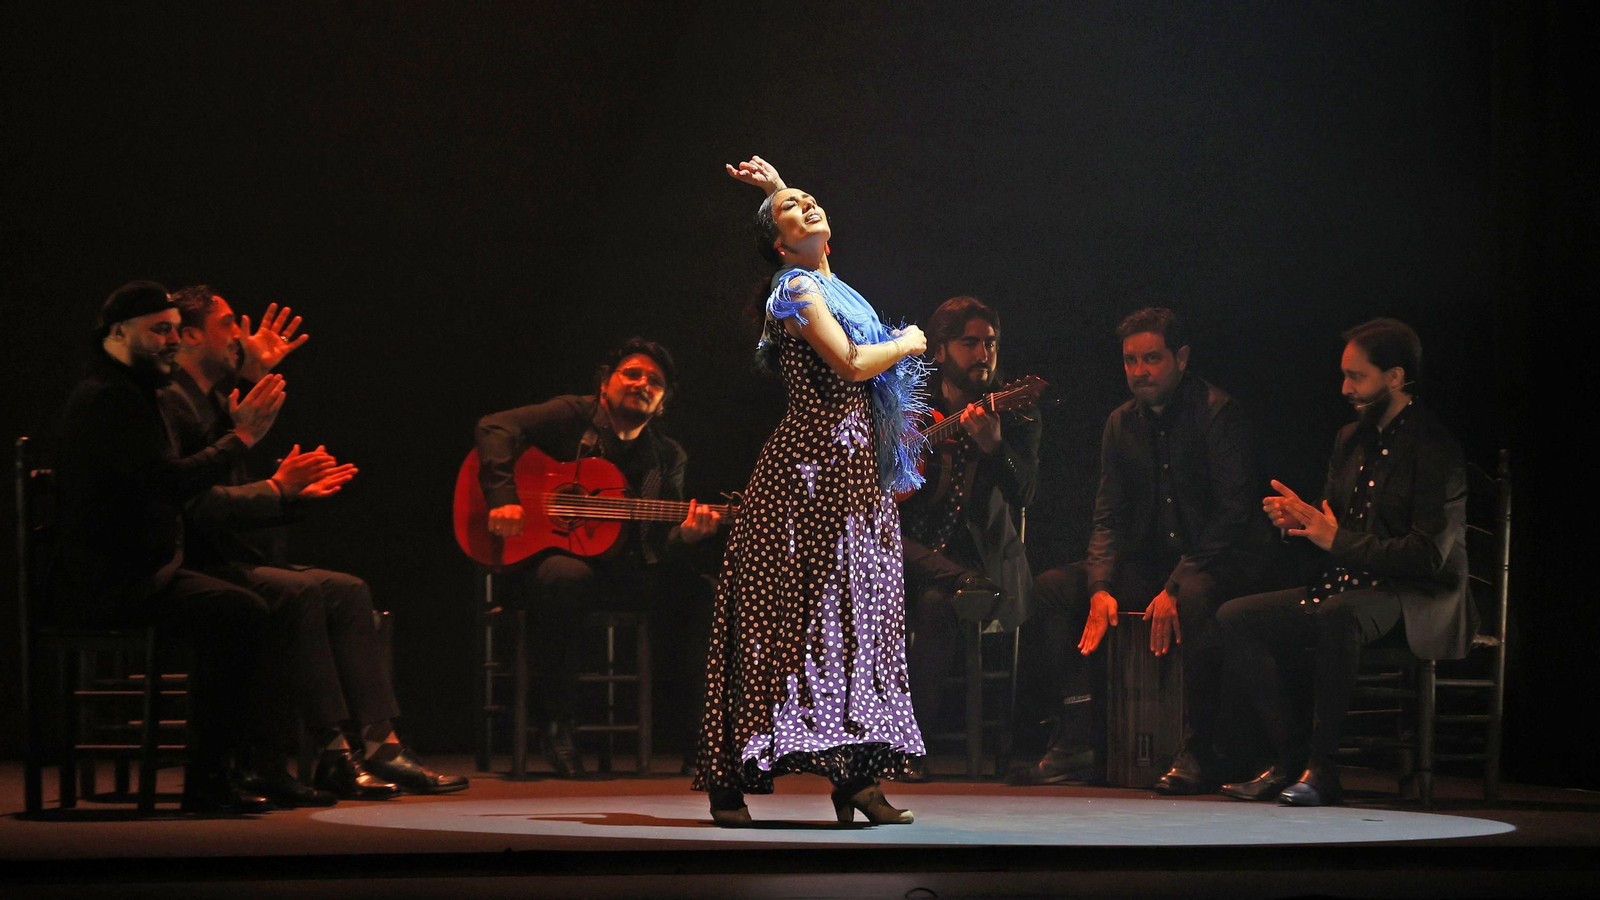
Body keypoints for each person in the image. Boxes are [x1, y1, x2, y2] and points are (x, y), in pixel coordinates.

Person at [162, 286, 467, 804]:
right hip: (189, 561)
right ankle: (331, 752)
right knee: (298, 594)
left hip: (221, 551)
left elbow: (228, 482)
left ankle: (380, 743)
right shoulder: (171, 400)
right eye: (228, 324)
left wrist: (287, 491)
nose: (240, 332)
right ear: (190, 335)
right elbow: (194, 500)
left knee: (347, 589)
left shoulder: (209, 398)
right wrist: (276, 487)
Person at [694, 156, 929, 827]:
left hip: (857, 471)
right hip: (808, 473)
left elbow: (797, 230)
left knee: (862, 616)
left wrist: (777, 189)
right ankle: (731, 774)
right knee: (786, 618)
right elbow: (853, 363)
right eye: (794, 209)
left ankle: (857, 779)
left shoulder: (833, 285)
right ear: (778, 243)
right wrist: (909, 342)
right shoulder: (793, 292)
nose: (808, 206)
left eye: (811, 199)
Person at [1216, 318, 1475, 807]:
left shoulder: (1434, 446)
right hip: (1353, 585)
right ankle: (1290, 761)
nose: (1345, 387)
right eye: (1345, 375)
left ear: (1395, 377)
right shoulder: (1349, 440)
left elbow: (1427, 555)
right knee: (1238, 617)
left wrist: (1333, 537)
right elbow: (1336, 528)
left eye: (1357, 376)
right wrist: (1299, 522)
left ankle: (1323, 768)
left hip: (1416, 596)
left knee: (1341, 614)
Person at [50, 280, 286, 813]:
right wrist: (240, 438)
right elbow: (165, 483)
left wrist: (238, 419)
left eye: (177, 331)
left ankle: (230, 772)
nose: (172, 341)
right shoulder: (108, 398)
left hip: (145, 569)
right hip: (113, 581)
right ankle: (209, 781)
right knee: (239, 612)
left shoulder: (140, 393)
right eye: (159, 330)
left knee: (249, 604)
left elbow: (194, 469)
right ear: (117, 332)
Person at [1022, 308, 1273, 789]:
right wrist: (1099, 586)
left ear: (1181, 358)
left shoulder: (1219, 413)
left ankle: (1199, 751)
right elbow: (1108, 516)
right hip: (1151, 564)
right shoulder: (1121, 423)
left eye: (1151, 359)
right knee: (1054, 589)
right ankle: (1077, 738)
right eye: (1130, 361)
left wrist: (1176, 585)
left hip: (1215, 561)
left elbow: (1233, 515)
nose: (1139, 371)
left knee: (1198, 596)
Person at [475, 337, 722, 777]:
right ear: (604, 385)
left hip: (625, 574)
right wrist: (502, 497)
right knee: (565, 576)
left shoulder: (667, 457)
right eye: (632, 373)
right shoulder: (572, 416)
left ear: (663, 402)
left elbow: (660, 544)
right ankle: (557, 727)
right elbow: (494, 427)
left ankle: (701, 738)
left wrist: (685, 536)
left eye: (655, 381)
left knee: (701, 592)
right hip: (548, 567)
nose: (642, 383)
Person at [898, 296, 1040, 780]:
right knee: (871, 546)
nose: (983, 353)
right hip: (905, 554)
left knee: (940, 603)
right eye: (969, 343)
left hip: (977, 562)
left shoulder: (1014, 413)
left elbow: (1026, 493)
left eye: (991, 344)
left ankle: (910, 748)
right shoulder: (909, 408)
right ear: (939, 351)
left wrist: (995, 448)